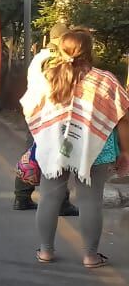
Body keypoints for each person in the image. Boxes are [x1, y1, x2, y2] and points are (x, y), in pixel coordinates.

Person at [21, 29, 129, 268]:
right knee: (91, 201)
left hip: (55, 147)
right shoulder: (105, 80)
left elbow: (30, 108)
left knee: (49, 197)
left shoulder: (48, 78)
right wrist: (126, 152)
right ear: (90, 51)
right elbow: (123, 117)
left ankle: (46, 251)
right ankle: (90, 256)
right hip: (96, 149)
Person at [12, 22, 78, 215]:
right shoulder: (53, 59)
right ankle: (61, 203)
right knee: (58, 156)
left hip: (35, 111)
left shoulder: (40, 57)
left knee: (33, 154)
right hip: (49, 114)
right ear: (61, 40)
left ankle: (22, 197)